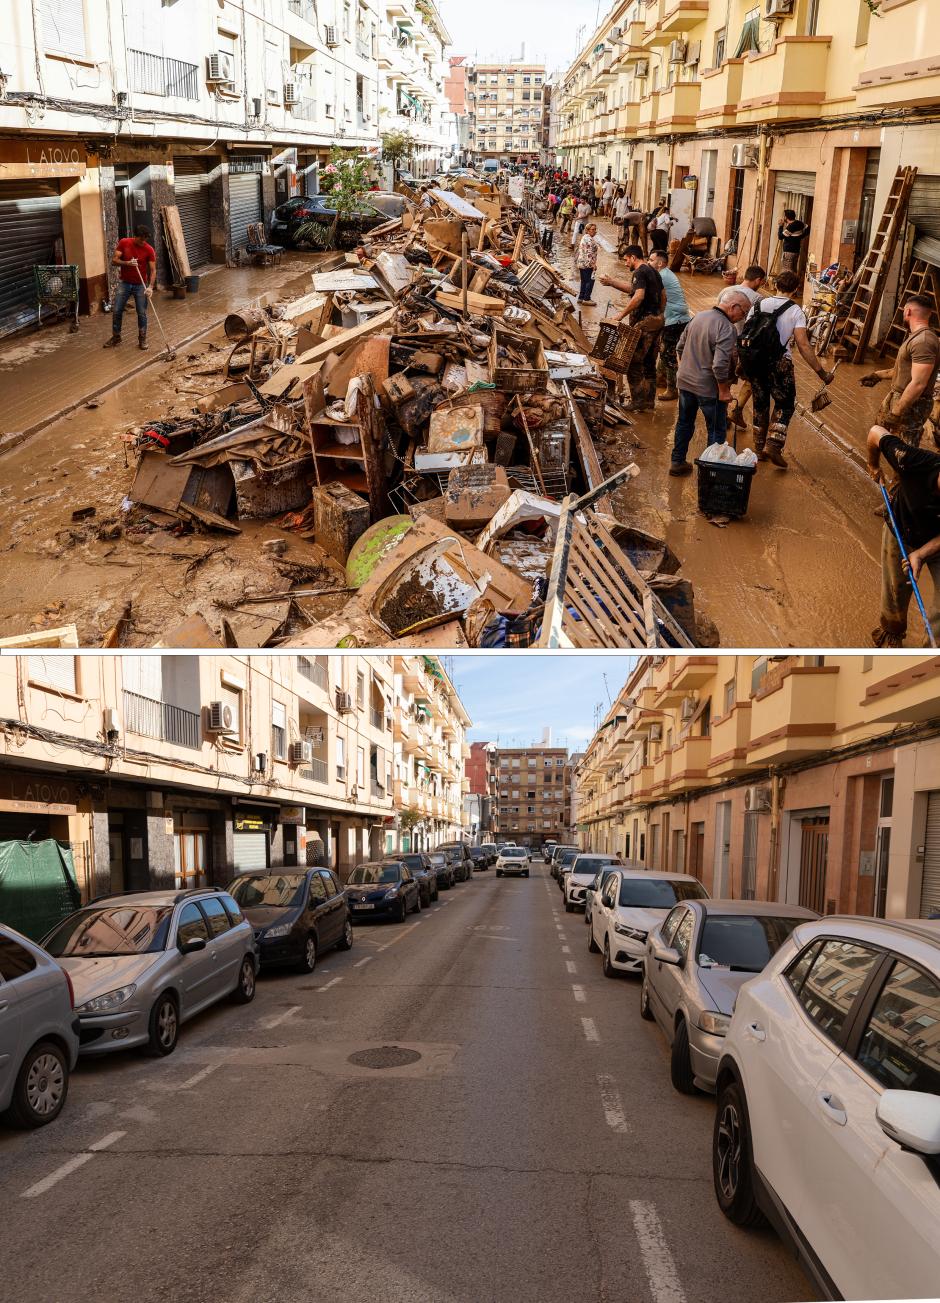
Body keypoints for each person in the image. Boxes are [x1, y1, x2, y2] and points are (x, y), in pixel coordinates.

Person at [739, 269, 833, 468]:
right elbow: (803, 345)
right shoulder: (795, 311)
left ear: (775, 286)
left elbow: (746, 333)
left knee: (760, 403)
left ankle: (758, 448)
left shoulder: (758, 304)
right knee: (785, 404)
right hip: (779, 365)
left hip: (756, 363)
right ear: (796, 289)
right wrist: (821, 372)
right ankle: (773, 445)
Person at [867, 426, 940, 646]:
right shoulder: (910, 459)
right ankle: (892, 633)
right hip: (902, 529)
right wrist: (873, 464)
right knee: (895, 596)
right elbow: (874, 433)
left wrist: (922, 553)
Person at [668, 292, 751, 476]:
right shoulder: (727, 328)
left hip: (685, 384)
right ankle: (710, 473)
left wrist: (686, 371)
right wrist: (723, 390)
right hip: (708, 388)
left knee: (684, 423)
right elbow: (720, 365)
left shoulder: (698, 316)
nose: (742, 317)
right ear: (734, 307)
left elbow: (679, 348)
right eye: (743, 312)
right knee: (716, 430)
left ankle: (677, 462)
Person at [861, 295, 940, 449]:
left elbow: (918, 383)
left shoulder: (923, 341)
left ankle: (900, 474)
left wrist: (896, 412)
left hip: (912, 404)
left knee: (904, 452)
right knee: (878, 435)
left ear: (908, 311)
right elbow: (905, 371)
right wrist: (878, 375)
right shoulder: (917, 337)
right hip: (899, 396)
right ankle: (874, 469)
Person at [599, 245, 665, 412]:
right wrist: (659, 314)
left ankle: (637, 402)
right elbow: (662, 295)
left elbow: (639, 295)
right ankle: (649, 403)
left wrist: (620, 315)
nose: (626, 263)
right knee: (650, 363)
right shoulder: (653, 271)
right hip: (657, 321)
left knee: (633, 362)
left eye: (626, 260)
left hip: (645, 322)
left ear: (633, 258)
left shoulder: (639, 272)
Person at [718, 264, 767, 428]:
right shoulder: (758, 299)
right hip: (745, 345)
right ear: (758, 280)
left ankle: (723, 415)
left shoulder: (726, 291)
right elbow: (758, 326)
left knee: (725, 379)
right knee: (752, 378)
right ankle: (736, 411)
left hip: (725, 341)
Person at [104, 224, 156, 350]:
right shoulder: (124, 243)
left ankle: (142, 339)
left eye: (145, 239)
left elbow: (153, 270)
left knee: (142, 313)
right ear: (135, 236)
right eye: (141, 239)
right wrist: (127, 263)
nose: (143, 242)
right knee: (117, 310)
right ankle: (116, 337)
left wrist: (150, 287)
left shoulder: (149, 249)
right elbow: (114, 261)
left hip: (140, 284)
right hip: (125, 282)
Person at [649, 249, 691, 402]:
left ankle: (672, 390)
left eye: (651, 260)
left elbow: (644, 294)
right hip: (678, 318)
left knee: (668, 354)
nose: (649, 262)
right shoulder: (665, 273)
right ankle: (661, 379)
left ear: (660, 263)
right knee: (665, 350)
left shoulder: (661, 276)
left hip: (675, 320)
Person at [778, 209, 809, 275]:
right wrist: (801, 236)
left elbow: (780, 237)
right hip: (796, 251)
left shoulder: (791, 227)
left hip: (789, 252)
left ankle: (788, 284)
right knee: (794, 269)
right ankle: (794, 284)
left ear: (786, 217)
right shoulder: (799, 223)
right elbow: (808, 228)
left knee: (787, 271)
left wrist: (780, 226)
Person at [575, 222, 599, 305]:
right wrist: (593, 265)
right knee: (590, 281)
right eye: (592, 229)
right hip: (587, 264)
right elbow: (589, 253)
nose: (594, 231)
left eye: (595, 229)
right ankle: (586, 298)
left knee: (584, 281)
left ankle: (581, 297)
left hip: (581, 263)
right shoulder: (589, 239)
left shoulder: (585, 237)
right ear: (587, 230)